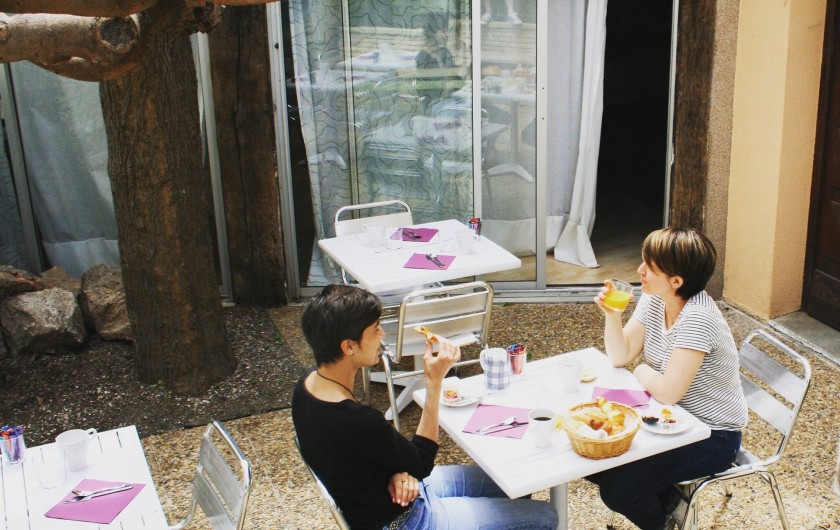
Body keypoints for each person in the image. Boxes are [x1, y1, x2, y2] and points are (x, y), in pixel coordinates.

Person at [292, 284, 558, 530]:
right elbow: (421, 462)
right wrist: (434, 382)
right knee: (547, 517)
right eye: (375, 329)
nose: (382, 335)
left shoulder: (306, 387)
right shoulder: (359, 420)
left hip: (392, 494)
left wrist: (398, 471)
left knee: (515, 481)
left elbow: (364, 455)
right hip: (406, 520)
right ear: (349, 346)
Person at [590, 228, 748, 530]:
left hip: (712, 435)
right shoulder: (656, 299)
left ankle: (665, 522)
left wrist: (641, 371)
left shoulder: (698, 317)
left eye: (649, 267)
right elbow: (619, 356)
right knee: (595, 459)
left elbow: (668, 392)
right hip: (670, 421)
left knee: (617, 490)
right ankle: (669, 497)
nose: (640, 271)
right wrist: (612, 315)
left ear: (677, 282)